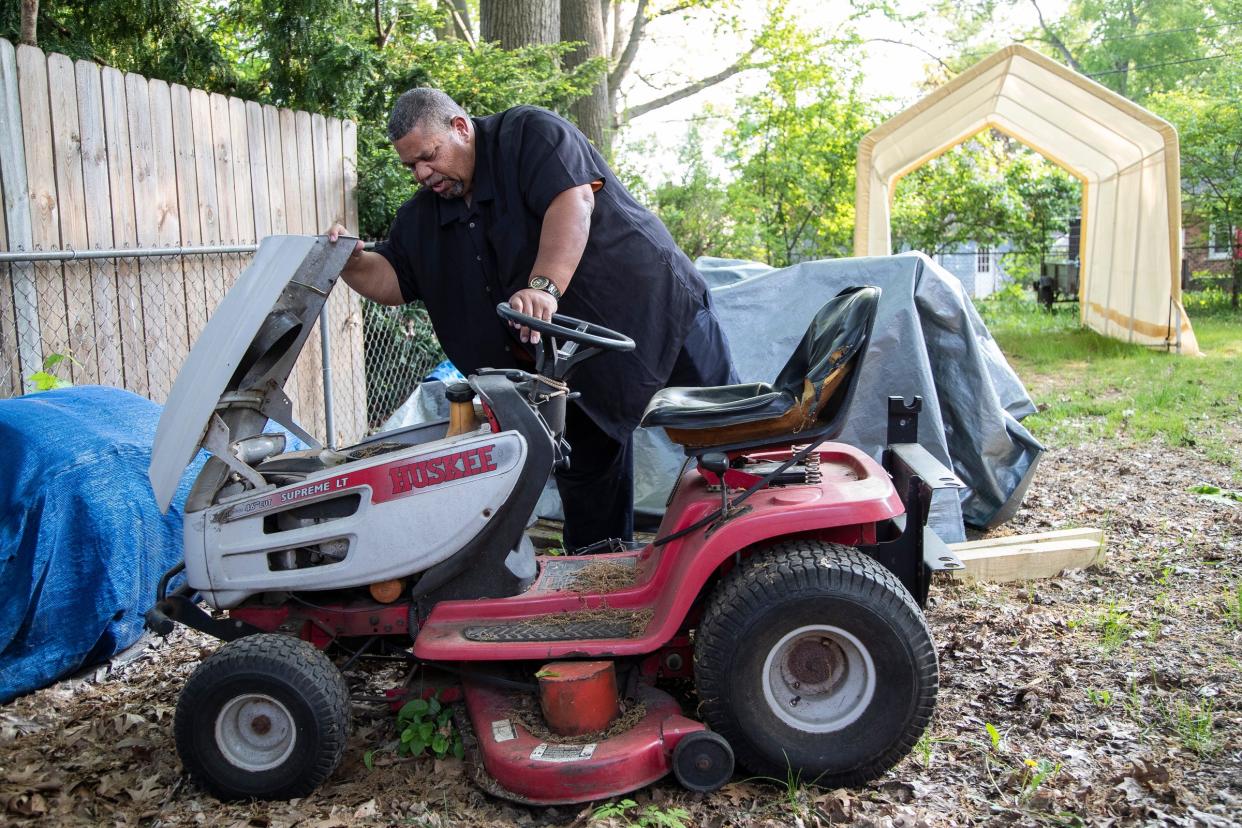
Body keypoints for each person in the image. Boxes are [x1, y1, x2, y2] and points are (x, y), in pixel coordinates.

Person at [328, 88, 736, 553]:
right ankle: (599, 590)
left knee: (725, 434)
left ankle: (759, 555)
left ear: (460, 127)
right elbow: (393, 281)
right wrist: (351, 262)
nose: (422, 174)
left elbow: (574, 200)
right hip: (568, 363)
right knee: (587, 484)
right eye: (411, 167)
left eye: (428, 157)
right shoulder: (422, 216)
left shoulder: (530, 133)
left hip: (656, 311)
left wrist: (543, 287)